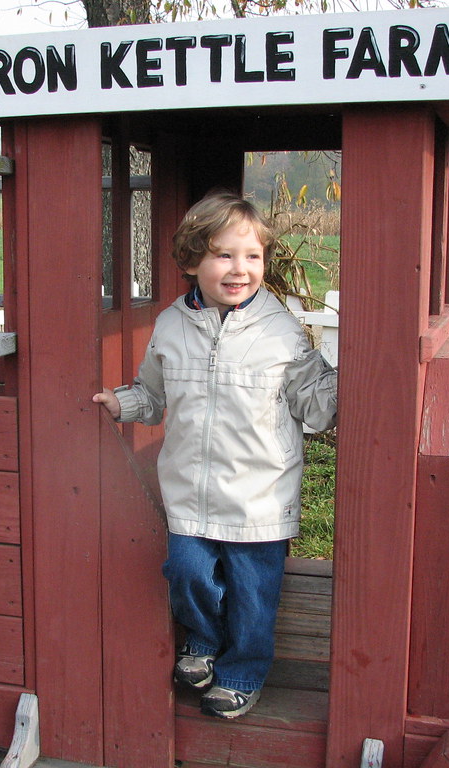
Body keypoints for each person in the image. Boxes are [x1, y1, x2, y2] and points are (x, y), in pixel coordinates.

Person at [93, 191, 337, 719]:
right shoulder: (171, 326)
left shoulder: (280, 330)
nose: (240, 269)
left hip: (259, 496)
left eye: (252, 256)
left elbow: (314, 404)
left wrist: (353, 379)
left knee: (253, 595)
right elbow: (154, 396)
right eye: (223, 255)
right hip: (190, 490)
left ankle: (244, 670)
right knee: (186, 572)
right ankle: (202, 640)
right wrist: (122, 403)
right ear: (191, 260)